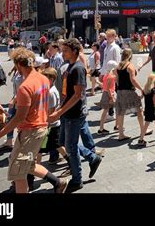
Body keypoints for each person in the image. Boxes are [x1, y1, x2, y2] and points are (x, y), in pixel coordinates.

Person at [0, 48, 68, 194]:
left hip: (30, 131)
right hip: (41, 127)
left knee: (18, 171)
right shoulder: (43, 79)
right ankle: (58, 182)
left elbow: (19, 117)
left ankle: (54, 184)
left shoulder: (25, 87)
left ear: (18, 65)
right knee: (28, 165)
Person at [48, 38, 102, 193]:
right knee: (63, 141)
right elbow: (67, 92)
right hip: (66, 111)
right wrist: (60, 108)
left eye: (65, 50)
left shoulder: (77, 68)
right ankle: (92, 157)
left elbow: (78, 95)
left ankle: (77, 179)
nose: (62, 53)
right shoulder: (70, 66)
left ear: (74, 51)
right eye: (62, 50)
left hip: (74, 114)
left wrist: (59, 111)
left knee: (70, 146)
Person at [114, 49, 147, 143]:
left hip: (120, 91)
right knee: (139, 110)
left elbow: (117, 80)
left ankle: (120, 134)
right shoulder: (130, 66)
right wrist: (141, 89)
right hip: (129, 91)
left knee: (121, 112)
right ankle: (143, 130)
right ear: (130, 56)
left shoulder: (118, 66)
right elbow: (133, 80)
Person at [98, 60, 117, 134]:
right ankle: (102, 128)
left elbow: (105, 85)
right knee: (116, 109)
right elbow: (109, 88)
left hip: (106, 93)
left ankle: (101, 128)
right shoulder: (111, 76)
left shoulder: (106, 75)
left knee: (105, 111)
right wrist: (112, 98)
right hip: (109, 94)